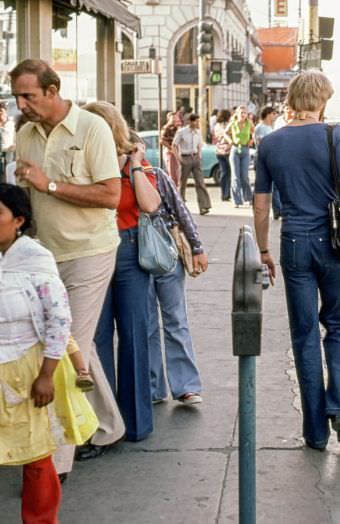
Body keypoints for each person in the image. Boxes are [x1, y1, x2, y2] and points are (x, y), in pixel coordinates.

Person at [253, 71, 340, 451]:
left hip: (293, 244)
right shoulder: (335, 135)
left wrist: (264, 250)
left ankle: (315, 431)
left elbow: (261, 204)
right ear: (323, 100)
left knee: (304, 334)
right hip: (331, 244)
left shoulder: (271, 143)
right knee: (339, 325)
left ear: (293, 101)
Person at [12, 59, 126, 467]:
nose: (21, 104)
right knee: (77, 342)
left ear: (52, 89)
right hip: (43, 254)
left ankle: (55, 461)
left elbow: (111, 195)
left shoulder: (91, 128)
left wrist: (51, 184)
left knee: (61, 344)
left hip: (89, 251)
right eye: (17, 96)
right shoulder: (24, 135)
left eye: (28, 95)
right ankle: (109, 426)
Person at [0, 183, 99, 521]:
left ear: (19, 220)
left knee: (36, 456)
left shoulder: (35, 259)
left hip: (27, 374)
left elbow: (59, 319)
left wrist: (46, 375)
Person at [83, 102, 161, 445]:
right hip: (91, 247)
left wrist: (134, 166)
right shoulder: (84, 159)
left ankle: (136, 423)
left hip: (129, 248)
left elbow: (150, 205)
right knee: (95, 339)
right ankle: (103, 423)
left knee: (133, 335)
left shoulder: (133, 159)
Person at [130, 131, 209, 406]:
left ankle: (182, 386)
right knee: (150, 322)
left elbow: (180, 210)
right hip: (137, 258)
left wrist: (197, 247)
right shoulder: (116, 179)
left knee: (173, 320)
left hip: (165, 253)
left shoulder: (156, 176)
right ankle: (157, 387)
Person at [173, 113, 211, 215]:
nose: (198, 123)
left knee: (200, 182)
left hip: (195, 158)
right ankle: (180, 207)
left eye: (198, 121)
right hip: (185, 158)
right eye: (196, 121)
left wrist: (199, 155)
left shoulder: (198, 132)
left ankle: (204, 206)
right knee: (183, 183)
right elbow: (174, 145)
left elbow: (199, 145)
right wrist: (179, 158)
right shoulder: (182, 132)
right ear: (190, 121)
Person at [254, 106, 281, 218]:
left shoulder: (271, 127)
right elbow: (261, 143)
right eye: (274, 113)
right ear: (268, 114)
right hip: (263, 159)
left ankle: (277, 210)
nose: (275, 116)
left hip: (273, 158)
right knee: (264, 187)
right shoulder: (260, 127)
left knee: (275, 186)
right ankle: (264, 209)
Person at [226, 106, 254, 208]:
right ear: (237, 114)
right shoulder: (233, 123)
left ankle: (249, 198)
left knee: (245, 176)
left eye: (245, 113)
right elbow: (225, 133)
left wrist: (251, 141)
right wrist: (229, 140)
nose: (243, 115)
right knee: (235, 177)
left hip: (245, 150)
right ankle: (236, 200)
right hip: (235, 150)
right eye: (241, 113)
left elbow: (254, 132)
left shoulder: (249, 123)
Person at [213, 109, 233, 202]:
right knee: (228, 172)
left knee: (224, 172)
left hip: (219, 150)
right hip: (227, 150)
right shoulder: (227, 125)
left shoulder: (216, 126)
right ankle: (226, 193)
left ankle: (224, 193)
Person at [160, 111, 181, 187]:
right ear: (169, 118)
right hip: (170, 153)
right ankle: (173, 194)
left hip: (175, 152)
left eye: (177, 119)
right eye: (174, 119)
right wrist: (171, 148)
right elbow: (162, 140)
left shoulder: (175, 127)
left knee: (176, 175)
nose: (176, 120)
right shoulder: (166, 127)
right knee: (172, 175)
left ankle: (175, 193)